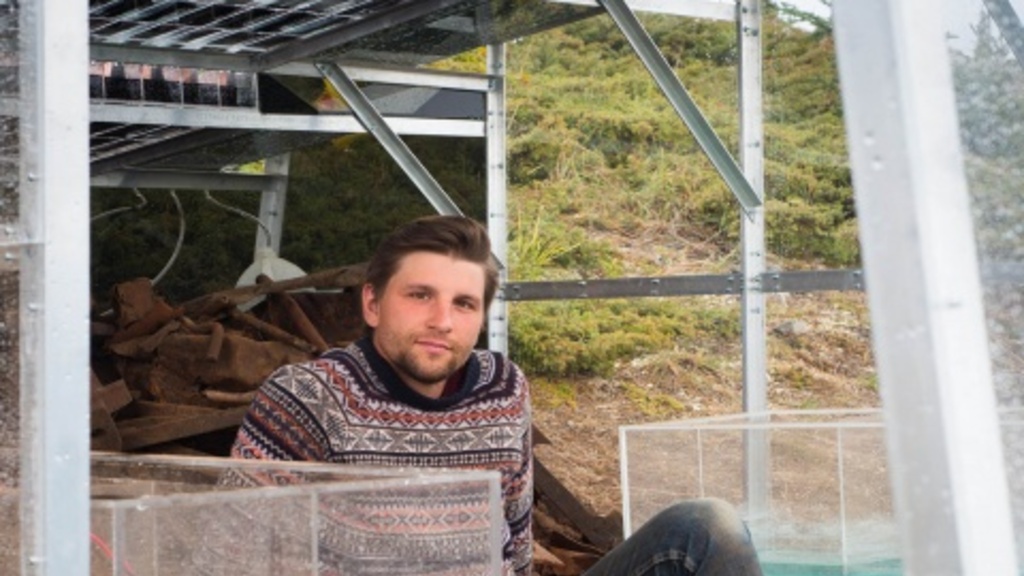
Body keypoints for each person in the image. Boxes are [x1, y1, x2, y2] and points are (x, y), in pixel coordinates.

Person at [231, 214, 763, 576]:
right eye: (420, 296)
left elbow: (514, 537)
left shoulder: (502, 387)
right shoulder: (308, 397)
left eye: (463, 304)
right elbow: (230, 551)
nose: (442, 321)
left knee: (705, 529)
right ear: (372, 304)